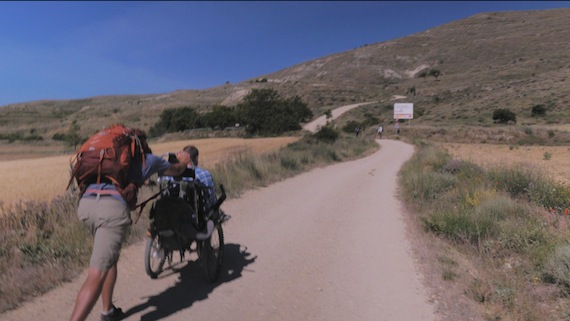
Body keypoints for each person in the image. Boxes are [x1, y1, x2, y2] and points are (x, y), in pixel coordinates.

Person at [69, 132, 191, 321]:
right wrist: (184, 159)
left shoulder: (111, 161)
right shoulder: (148, 160)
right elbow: (177, 170)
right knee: (96, 273)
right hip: (110, 211)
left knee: (110, 259)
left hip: (86, 206)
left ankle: (108, 310)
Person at [183, 145, 231, 223]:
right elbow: (211, 197)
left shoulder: (171, 176)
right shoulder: (205, 174)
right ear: (196, 158)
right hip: (202, 212)